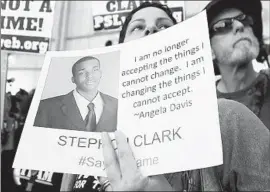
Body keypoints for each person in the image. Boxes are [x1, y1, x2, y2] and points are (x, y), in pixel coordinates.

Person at [78, 2, 269, 191]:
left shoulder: (228, 118)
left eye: (164, 26)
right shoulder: (87, 132)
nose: (151, 29)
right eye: (138, 27)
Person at [205, 0, 270, 130]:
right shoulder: (202, 105)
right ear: (210, 50)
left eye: (244, 19)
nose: (240, 25)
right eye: (223, 25)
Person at [34, 56, 118, 132]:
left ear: (100, 73)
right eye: (82, 73)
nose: (90, 76)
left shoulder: (117, 105)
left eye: (95, 70)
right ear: (73, 79)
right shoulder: (46, 107)